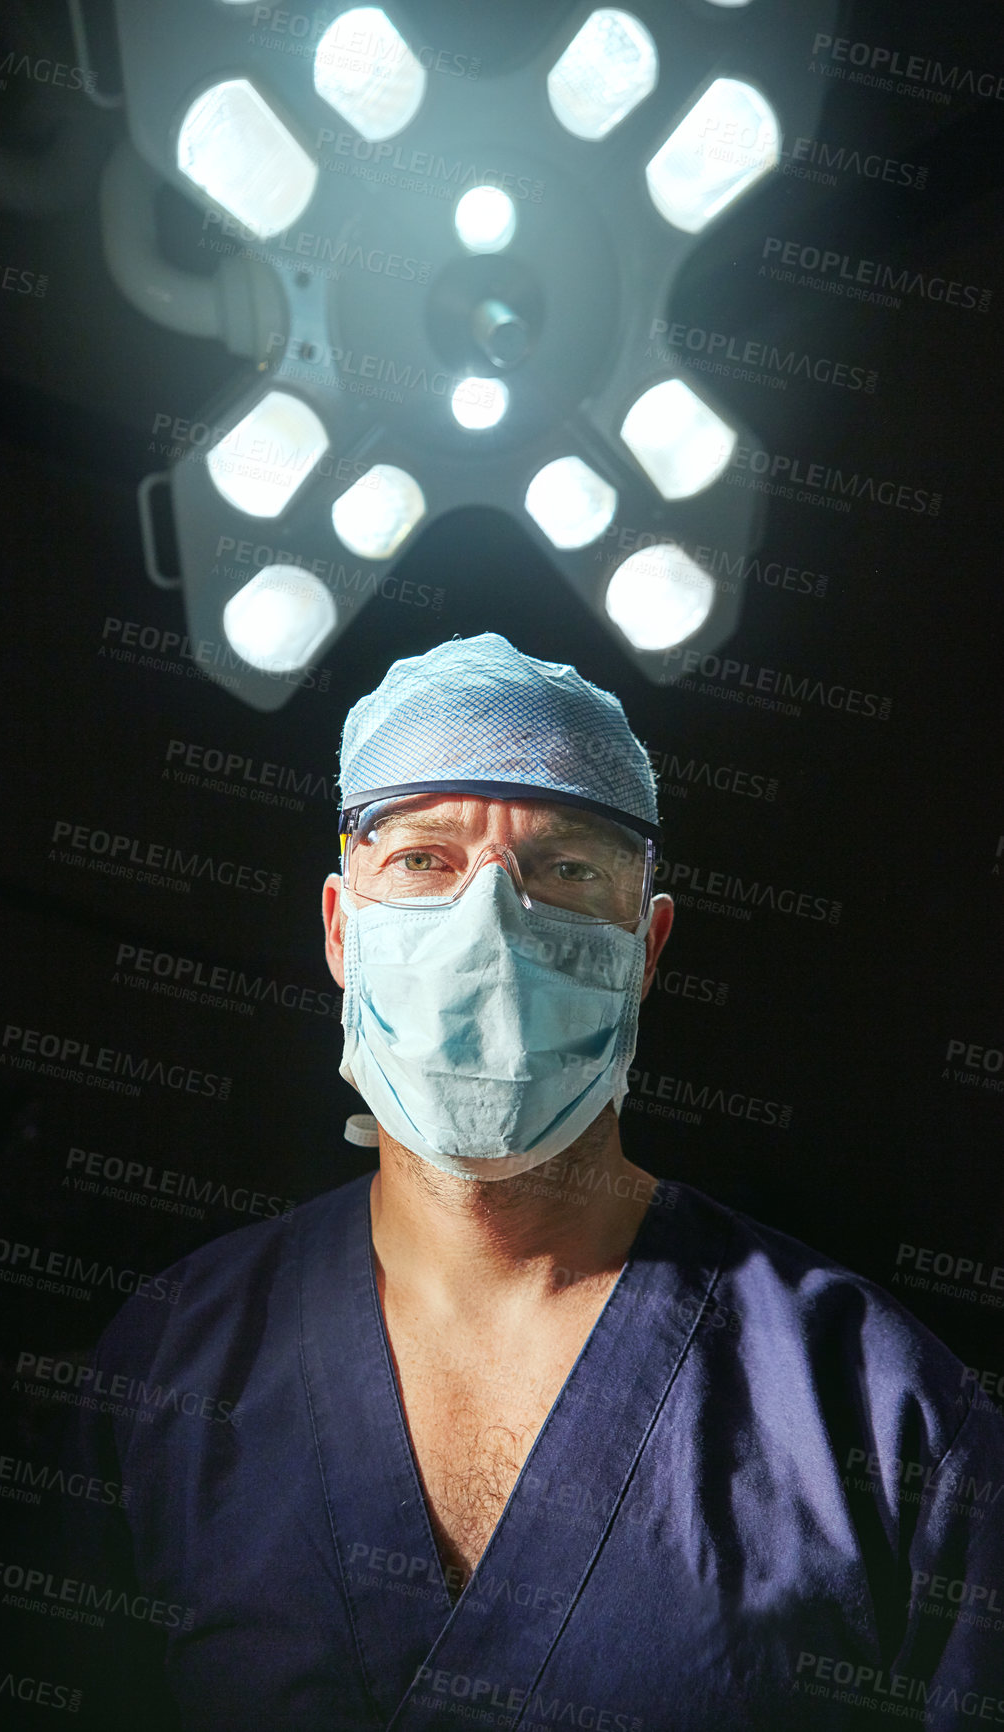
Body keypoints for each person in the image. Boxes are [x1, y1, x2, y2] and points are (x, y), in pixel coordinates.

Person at [63, 634, 1004, 1732]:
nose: (489, 926)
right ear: (339, 928)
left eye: (565, 869)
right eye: (422, 859)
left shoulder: (874, 1414)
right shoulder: (176, 1367)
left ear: (645, 946)